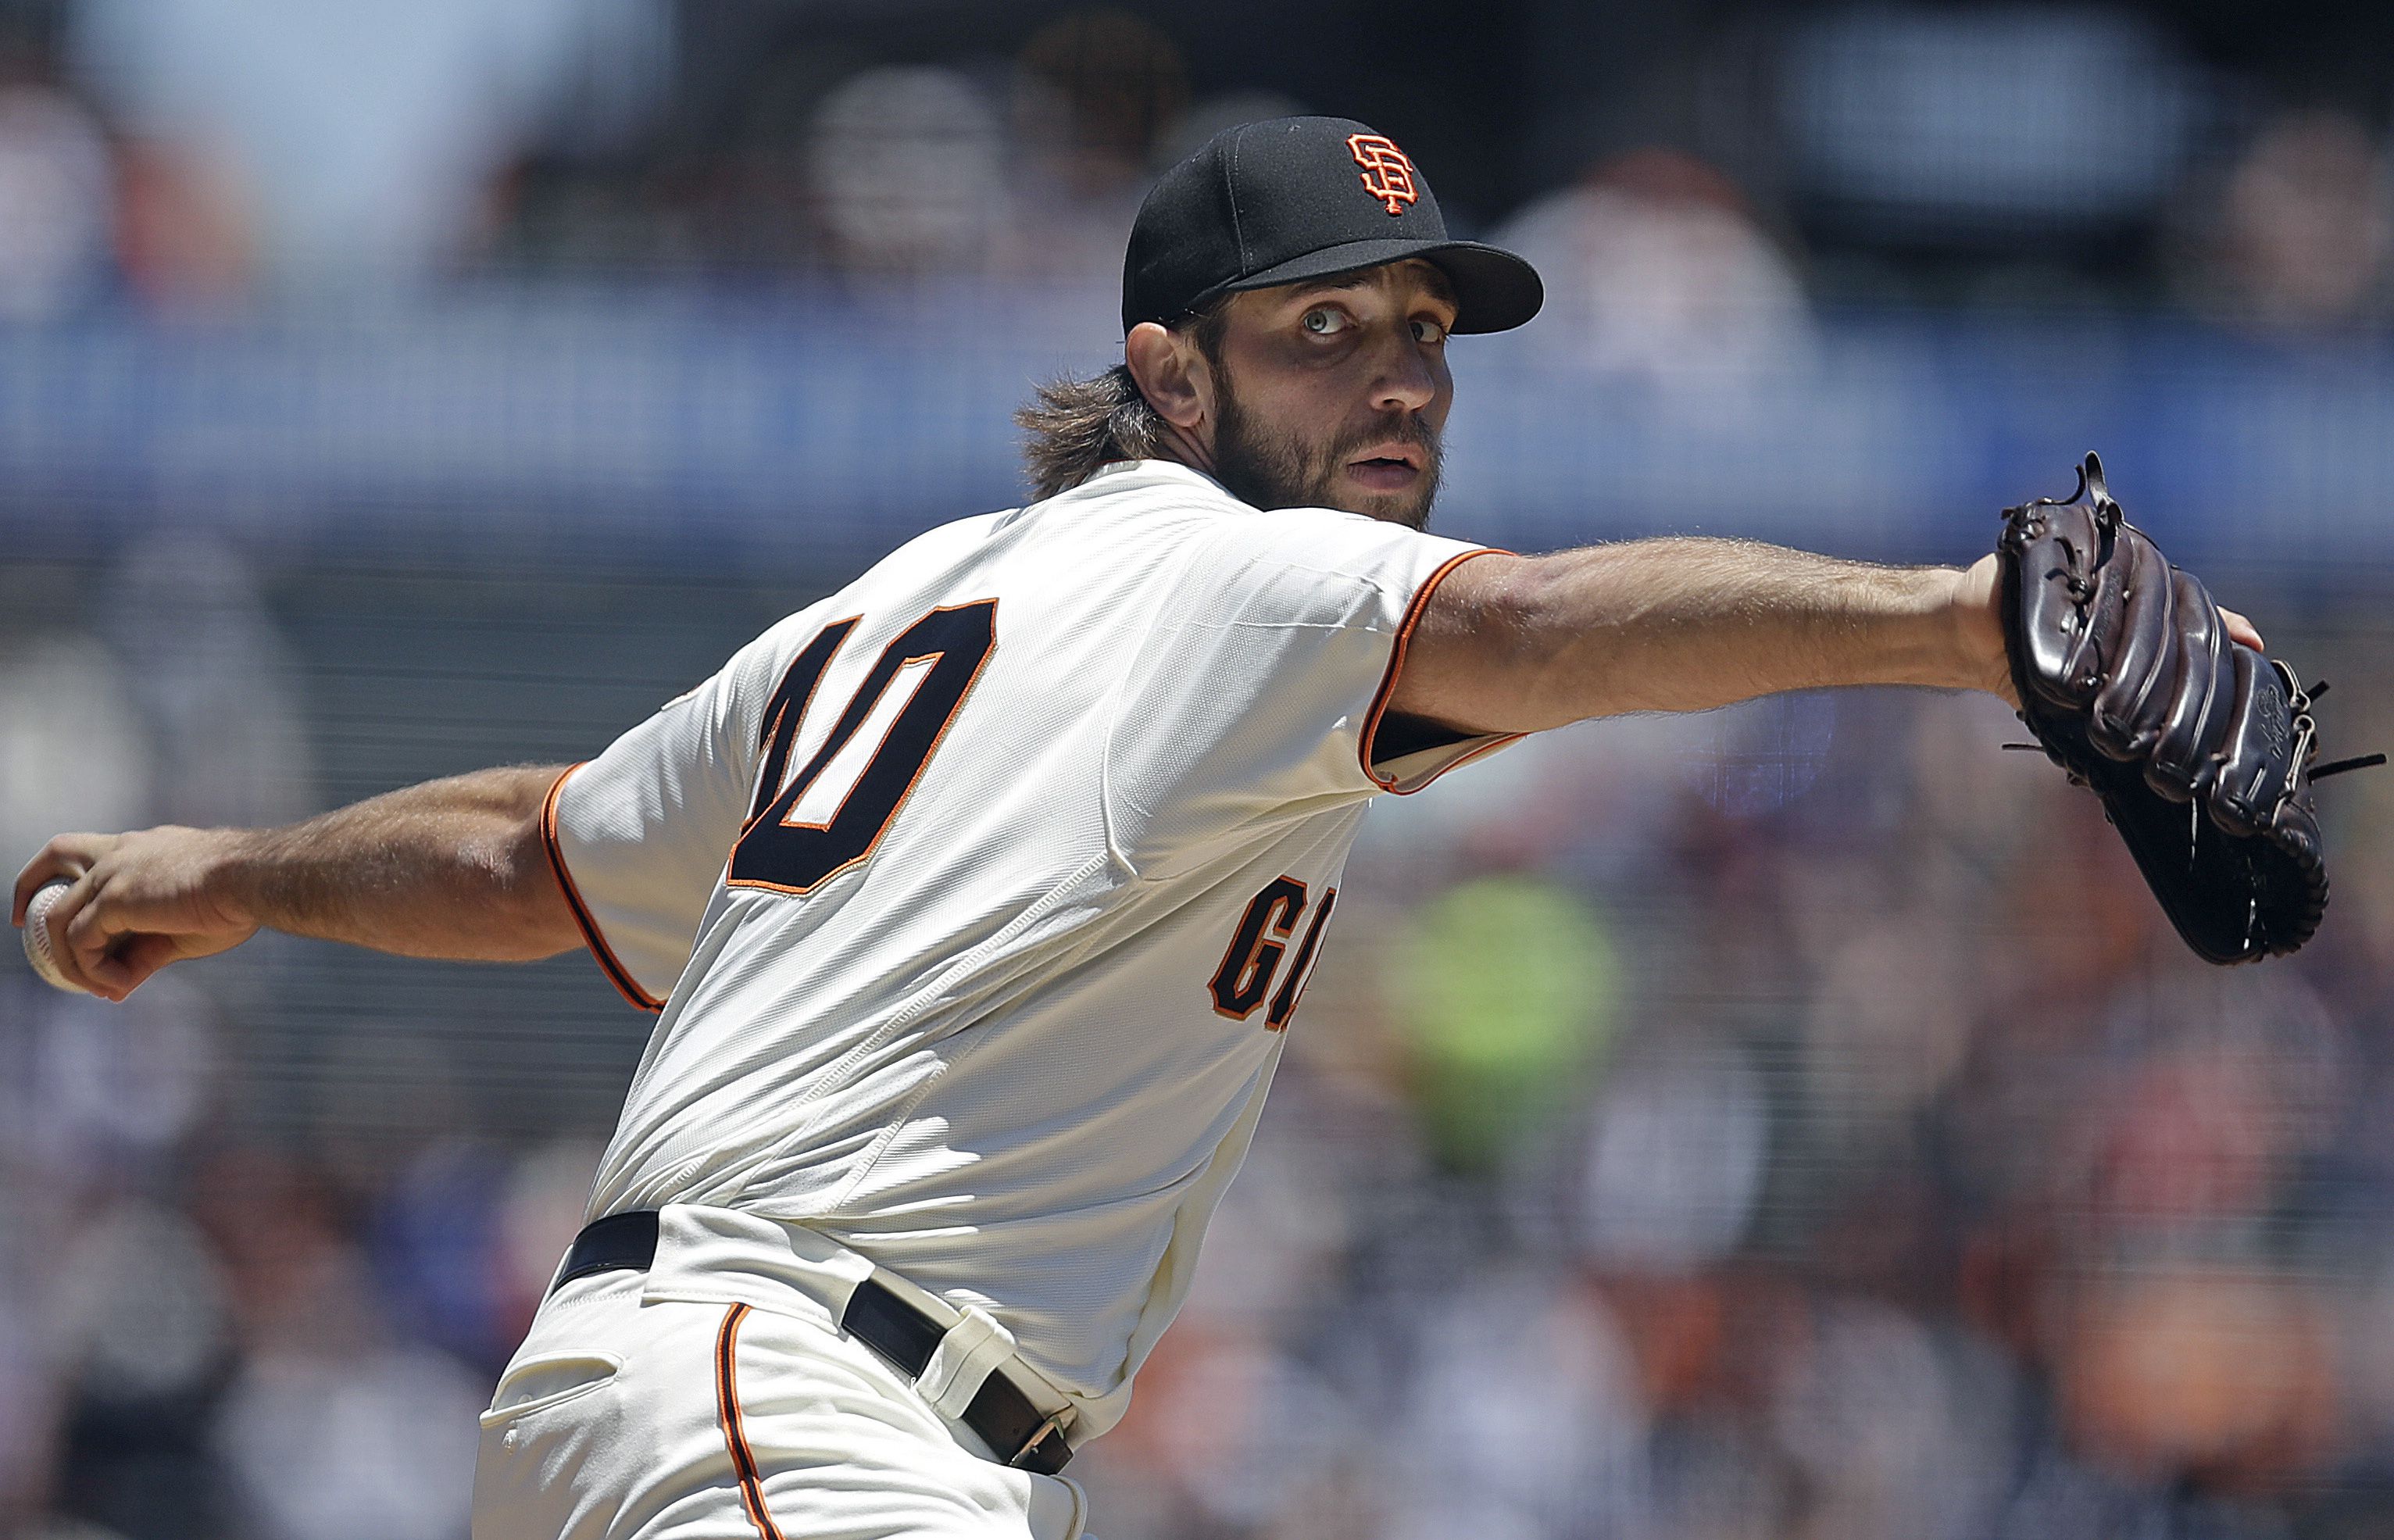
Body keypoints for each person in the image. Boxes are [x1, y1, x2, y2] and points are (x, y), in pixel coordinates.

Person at [11, 117, 2262, 1540]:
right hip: (804, 1409)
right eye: (1326, 332)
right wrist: (1970, 622)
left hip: (709, 1406)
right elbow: (1562, 627)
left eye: (1426, 338)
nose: (1401, 380)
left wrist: (227, 874)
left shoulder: (916, 601)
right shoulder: (1231, 570)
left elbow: (539, 851)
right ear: (1171, 380)